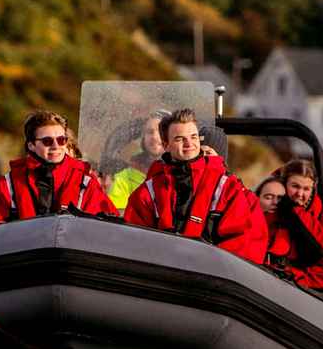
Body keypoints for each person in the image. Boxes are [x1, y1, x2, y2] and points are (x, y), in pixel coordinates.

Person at [123, 108, 267, 263]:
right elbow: (135, 242)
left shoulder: (227, 188)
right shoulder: (149, 192)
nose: (189, 144)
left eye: (193, 137)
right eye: (180, 139)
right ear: (166, 145)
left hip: (213, 278)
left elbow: (243, 244)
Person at [0, 110, 117, 227]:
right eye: (47, 141)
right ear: (31, 145)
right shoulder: (6, 185)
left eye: (62, 140)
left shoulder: (86, 180)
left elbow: (110, 226)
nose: (56, 146)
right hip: (24, 256)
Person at [273, 158, 323, 292]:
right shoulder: (270, 199)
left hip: (309, 281)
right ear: (284, 183)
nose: (300, 194)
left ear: (313, 189)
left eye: (306, 189)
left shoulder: (315, 217)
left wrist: (296, 277)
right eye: (295, 186)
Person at [105, 109, 169, 211]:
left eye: (161, 131)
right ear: (144, 138)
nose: (155, 137)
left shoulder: (183, 176)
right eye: (150, 132)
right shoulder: (124, 179)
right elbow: (116, 216)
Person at [254, 174, 293, 268]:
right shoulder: (245, 223)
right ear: (256, 198)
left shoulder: (294, 227)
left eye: (280, 198)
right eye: (268, 197)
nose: (275, 202)